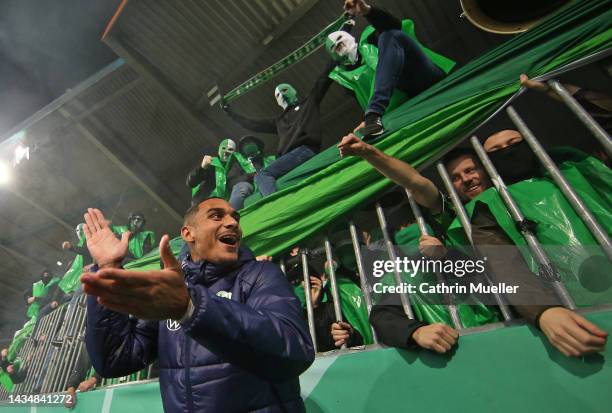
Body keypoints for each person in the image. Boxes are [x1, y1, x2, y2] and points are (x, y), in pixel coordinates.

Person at [337, 133, 609, 357]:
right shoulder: (456, 215)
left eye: (470, 170)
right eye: (455, 177)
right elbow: (415, 182)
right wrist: (368, 153)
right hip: (519, 310)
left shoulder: (555, 181)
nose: (465, 179)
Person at [81, 201, 314, 413]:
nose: (232, 223)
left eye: (235, 218)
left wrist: (192, 308)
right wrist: (107, 266)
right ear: (188, 233)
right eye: (216, 216)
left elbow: (294, 350)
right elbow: (114, 359)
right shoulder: (172, 291)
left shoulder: (261, 275)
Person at [222, 47, 346, 196]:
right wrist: (230, 112)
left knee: (263, 175)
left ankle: (274, 204)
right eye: (277, 95)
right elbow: (253, 124)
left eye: (284, 90)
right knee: (264, 178)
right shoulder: (279, 121)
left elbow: (323, 78)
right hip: (288, 158)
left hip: (304, 150)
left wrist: (336, 52)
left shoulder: (308, 104)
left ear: (293, 91)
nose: (281, 95)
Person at [326, 0, 454, 139]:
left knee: (390, 35)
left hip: (416, 72)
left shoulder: (370, 39)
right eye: (337, 49)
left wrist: (367, 11)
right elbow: (362, 98)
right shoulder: (347, 80)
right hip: (401, 99)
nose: (342, 49)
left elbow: (394, 26)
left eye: (341, 43)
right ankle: (372, 116)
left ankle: (374, 113)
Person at [186, 138, 261, 209]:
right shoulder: (211, 164)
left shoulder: (239, 163)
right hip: (205, 204)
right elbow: (191, 183)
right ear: (219, 149)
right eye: (223, 148)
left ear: (234, 152)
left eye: (230, 149)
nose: (226, 151)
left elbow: (251, 176)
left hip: (229, 201)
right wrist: (202, 168)